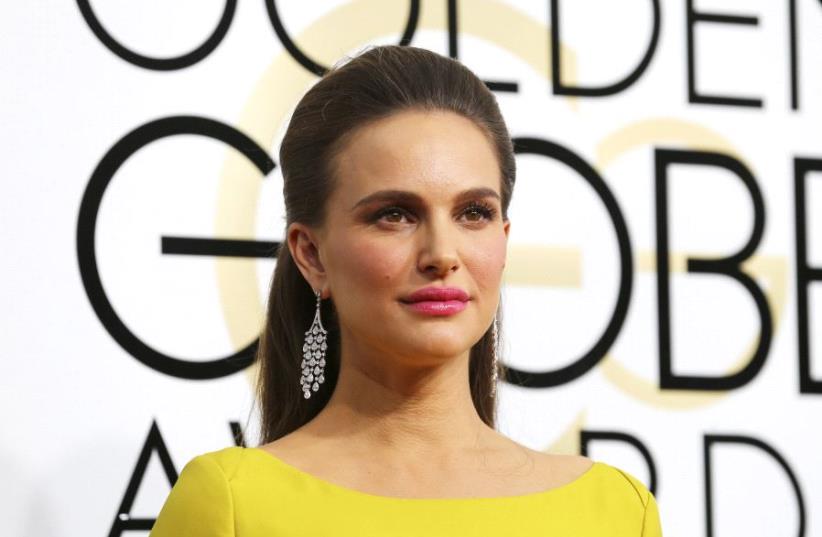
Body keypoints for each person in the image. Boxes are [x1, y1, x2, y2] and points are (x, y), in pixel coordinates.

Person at [149, 44, 663, 536]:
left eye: (473, 213)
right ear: (311, 254)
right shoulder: (232, 504)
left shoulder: (615, 512)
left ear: (503, 240)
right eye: (393, 215)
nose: (442, 253)